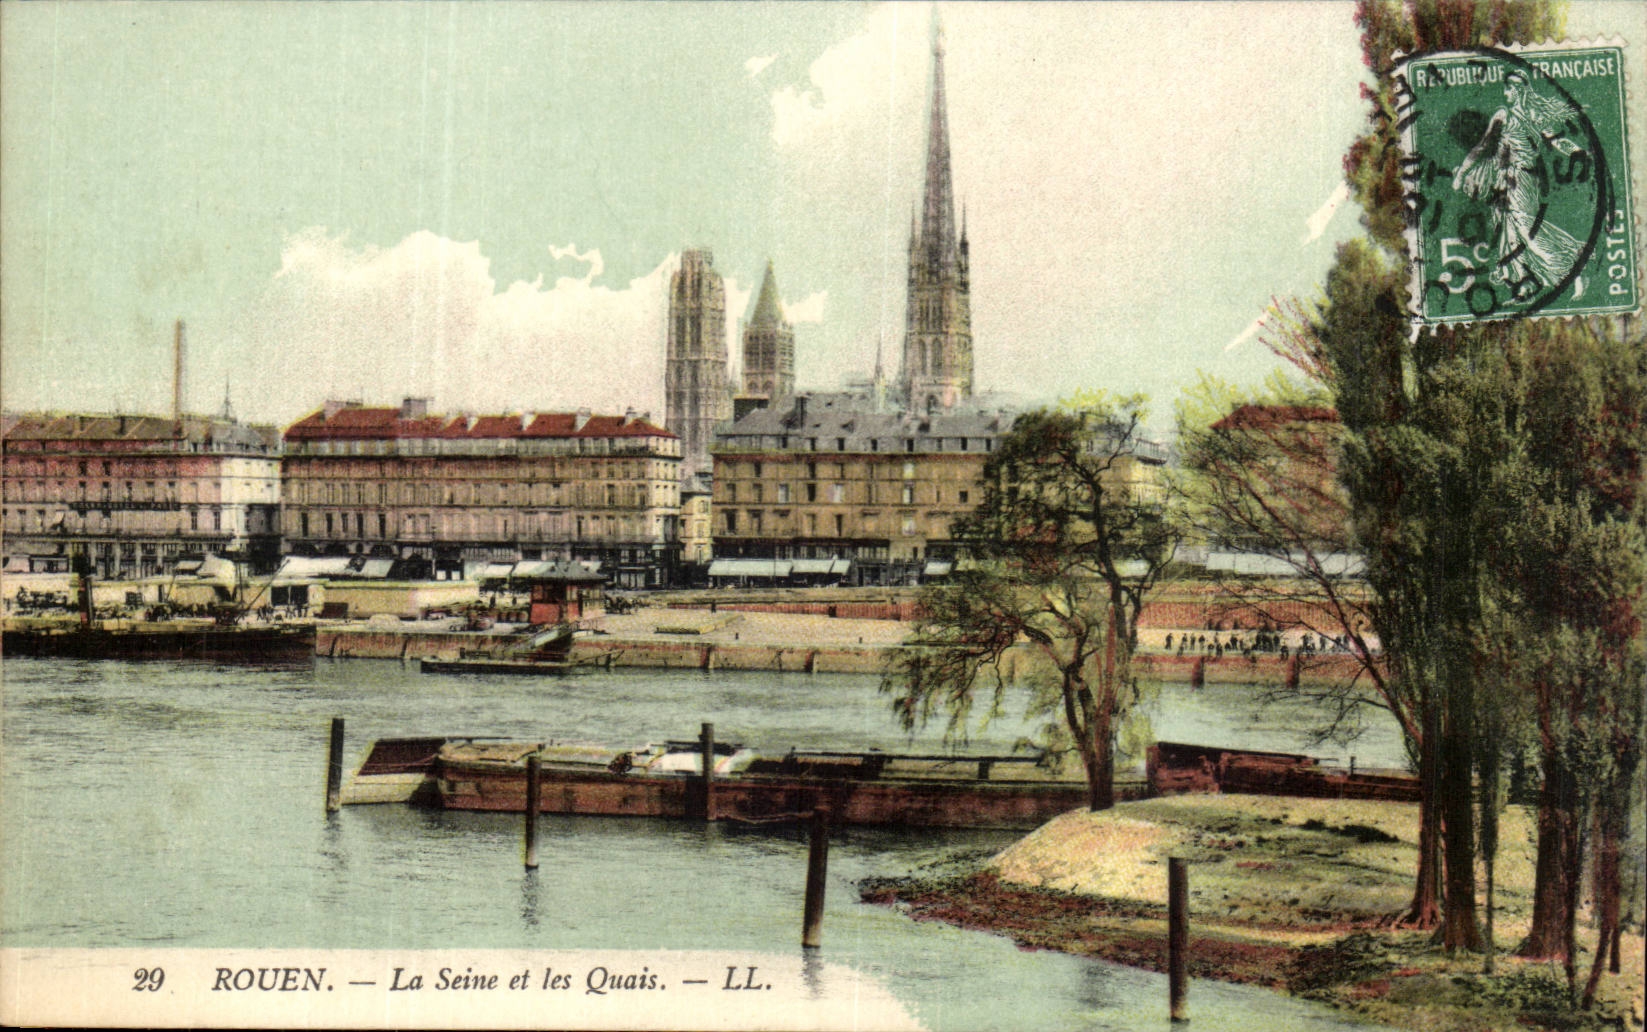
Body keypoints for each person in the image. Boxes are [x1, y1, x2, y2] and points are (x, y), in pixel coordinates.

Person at [1452, 69, 1586, 300]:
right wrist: (1462, 173)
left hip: (1523, 179)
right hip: (1502, 180)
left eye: (1509, 89)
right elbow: (1482, 147)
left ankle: (1571, 268)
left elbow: (1556, 141)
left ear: (1519, 90)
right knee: (1509, 231)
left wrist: (1576, 151)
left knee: (1527, 228)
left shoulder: (1533, 117)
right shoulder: (1502, 115)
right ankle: (1525, 283)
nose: (1505, 94)